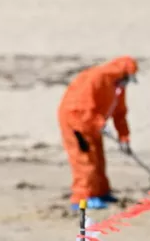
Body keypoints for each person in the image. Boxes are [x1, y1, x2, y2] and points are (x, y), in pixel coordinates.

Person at [57, 56, 139, 209]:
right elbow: (82, 107)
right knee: (85, 160)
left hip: (93, 124)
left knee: (99, 158)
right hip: (75, 121)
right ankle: (82, 198)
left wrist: (124, 137)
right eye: (127, 78)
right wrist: (99, 124)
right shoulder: (96, 78)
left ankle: (101, 192)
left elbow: (120, 114)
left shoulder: (118, 88)